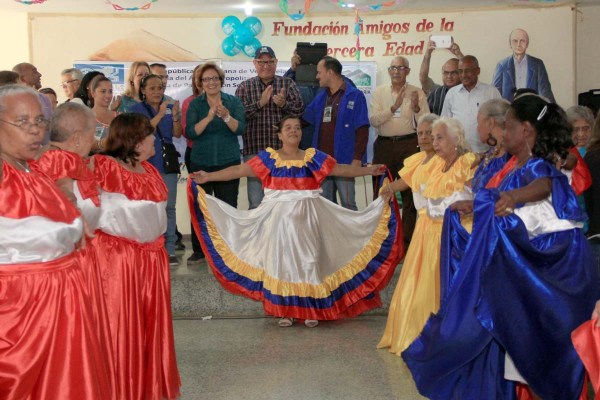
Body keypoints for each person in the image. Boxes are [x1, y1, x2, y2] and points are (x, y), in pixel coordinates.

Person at [403, 95, 597, 400]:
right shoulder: (515, 164)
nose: (502, 134)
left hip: (556, 269)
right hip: (534, 268)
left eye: (508, 127)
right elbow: (500, 197)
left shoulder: (542, 164)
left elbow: (542, 186)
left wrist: (515, 197)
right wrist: (478, 204)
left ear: (527, 130)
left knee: (543, 354)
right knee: (525, 353)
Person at [188, 116, 403, 328]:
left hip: (308, 221)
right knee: (282, 265)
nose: (293, 131)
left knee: (309, 262)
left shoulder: (313, 158)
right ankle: (286, 311)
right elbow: (238, 171)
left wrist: (369, 170)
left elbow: (341, 169)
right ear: (280, 134)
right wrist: (208, 177)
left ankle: (312, 309)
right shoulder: (268, 160)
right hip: (278, 224)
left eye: (297, 128)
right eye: (288, 128)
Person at [0, 84, 113, 399]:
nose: (35, 130)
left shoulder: (32, 173)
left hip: (61, 308)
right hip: (23, 313)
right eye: (22, 122)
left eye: (40, 121)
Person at [93, 113, 181, 399]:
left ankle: (147, 387)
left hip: (152, 260)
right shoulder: (104, 166)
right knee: (120, 326)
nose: (153, 138)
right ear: (133, 140)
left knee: (148, 328)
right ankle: (118, 389)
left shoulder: (151, 171)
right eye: (148, 135)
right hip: (118, 260)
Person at [33, 101, 117, 396]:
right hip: (72, 263)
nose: (95, 139)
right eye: (93, 132)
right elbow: (66, 204)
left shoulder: (57, 158)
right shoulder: (61, 161)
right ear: (78, 137)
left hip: (80, 259)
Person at [377, 116, 475, 355]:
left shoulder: (467, 162)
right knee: (419, 286)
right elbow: (417, 189)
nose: (433, 141)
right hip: (428, 232)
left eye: (438, 137)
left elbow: (475, 198)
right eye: (431, 136)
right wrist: (389, 187)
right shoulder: (435, 165)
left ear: (456, 139)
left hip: (453, 235)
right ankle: (418, 334)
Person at [185, 62, 246, 263]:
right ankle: (199, 251)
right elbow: (191, 132)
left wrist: (226, 116)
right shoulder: (196, 104)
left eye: (215, 78)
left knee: (228, 208)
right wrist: (210, 117)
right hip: (200, 162)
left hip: (228, 163)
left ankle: (229, 249)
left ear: (221, 80)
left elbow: (240, 129)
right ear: (200, 83)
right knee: (200, 209)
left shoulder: (233, 101)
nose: (211, 82)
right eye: (206, 79)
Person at [235, 46, 304, 209]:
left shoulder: (287, 83)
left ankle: (283, 234)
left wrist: (284, 104)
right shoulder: (244, 87)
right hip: (255, 152)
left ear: (276, 62)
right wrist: (260, 104)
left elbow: (300, 110)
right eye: (261, 62)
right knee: (256, 202)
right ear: (254, 63)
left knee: (285, 200)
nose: (265, 65)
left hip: (284, 153)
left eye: (269, 61)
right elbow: (238, 118)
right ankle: (259, 235)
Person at [370, 56, 429, 245]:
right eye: (393, 68)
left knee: (410, 194)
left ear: (408, 71)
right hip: (384, 146)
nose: (396, 71)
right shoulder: (379, 93)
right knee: (381, 193)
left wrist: (417, 108)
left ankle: (406, 243)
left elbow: (426, 122)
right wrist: (393, 107)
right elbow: (374, 120)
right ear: (389, 71)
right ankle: (381, 243)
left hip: (409, 145)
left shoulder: (417, 92)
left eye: (401, 68)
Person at [304, 56, 369, 211]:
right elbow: (305, 118)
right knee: (326, 205)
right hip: (322, 162)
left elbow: (362, 129)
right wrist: (283, 124)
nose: (317, 76)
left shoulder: (355, 95)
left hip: (345, 161)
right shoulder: (321, 97)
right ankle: (330, 236)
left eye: (319, 72)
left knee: (348, 204)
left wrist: (357, 159)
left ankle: (352, 236)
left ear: (330, 72)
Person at [131, 74, 182, 265]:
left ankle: (169, 250)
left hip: (167, 163)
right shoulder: (135, 109)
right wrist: (160, 114)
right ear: (143, 90)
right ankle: (149, 247)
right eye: (152, 88)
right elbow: (140, 132)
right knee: (148, 207)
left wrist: (175, 116)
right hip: (145, 164)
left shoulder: (169, 107)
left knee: (169, 206)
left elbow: (177, 134)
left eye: (160, 88)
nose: (157, 92)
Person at [441, 55, 502, 153]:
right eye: (460, 71)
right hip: (459, 154)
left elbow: (501, 123)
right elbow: (444, 123)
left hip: (486, 153)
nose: (463, 75)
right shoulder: (452, 93)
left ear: (478, 71)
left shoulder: (491, 92)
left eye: (468, 70)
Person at [492, 28, 555, 103]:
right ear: (510, 44)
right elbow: (494, 93)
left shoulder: (538, 64)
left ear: (527, 44)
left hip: (532, 109)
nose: (519, 44)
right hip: (509, 111)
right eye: (515, 41)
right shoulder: (502, 65)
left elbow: (545, 92)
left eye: (522, 41)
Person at [418, 39, 463, 115]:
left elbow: (470, 72)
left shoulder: (468, 90)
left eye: (454, 73)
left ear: (461, 73)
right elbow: (423, 77)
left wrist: (458, 54)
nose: (449, 76)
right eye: (446, 73)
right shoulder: (436, 91)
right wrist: (428, 53)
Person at [12, 62, 52, 143]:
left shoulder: (44, 98)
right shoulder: (15, 101)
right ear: (23, 79)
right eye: (34, 72)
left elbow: (52, 123)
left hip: (46, 151)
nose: (40, 75)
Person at [90, 75, 116, 149]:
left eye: (110, 91)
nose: (108, 95)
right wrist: (101, 144)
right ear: (93, 93)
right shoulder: (86, 118)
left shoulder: (119, 117)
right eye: (103, 91)